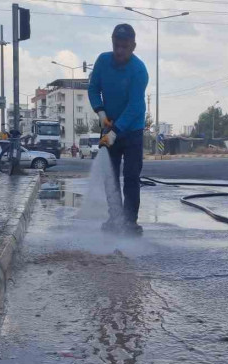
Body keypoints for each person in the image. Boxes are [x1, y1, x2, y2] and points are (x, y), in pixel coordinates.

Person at [88, 23, 149, 236]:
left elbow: (135, 106)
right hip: (109, 125)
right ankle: (115, 218)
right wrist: (101, 113)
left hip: (132, 130)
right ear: (112, 42)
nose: (119, 51)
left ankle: (130, 222)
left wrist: (116, 131)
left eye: (124, 47)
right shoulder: (103, 61)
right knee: (110, 176)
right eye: (116, 45)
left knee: (131, 175)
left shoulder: (139, 70)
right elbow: (93, 88)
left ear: (133, 46)